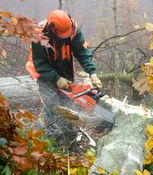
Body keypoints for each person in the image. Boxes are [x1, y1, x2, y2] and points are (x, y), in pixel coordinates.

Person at [25, 9, 102, 148]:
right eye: (62, 35)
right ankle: (54, 141)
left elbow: (82, 52)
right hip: (44, 73)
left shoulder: (73, 29)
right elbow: (40, 64)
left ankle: (70, 136)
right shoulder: (39, 34)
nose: (66, 36)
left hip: (65, 68)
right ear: (52, 29)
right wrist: (56, 78)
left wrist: (92, 73)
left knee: (68, 103)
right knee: (52, 104)